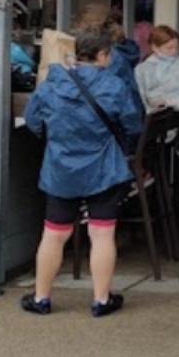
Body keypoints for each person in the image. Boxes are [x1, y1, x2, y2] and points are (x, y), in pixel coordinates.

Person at [21, 27, 143, 317]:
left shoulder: (51, 84)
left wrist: (57, 141)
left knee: (53, 234)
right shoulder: (114, 85)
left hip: (61, 168)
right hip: (104, 169)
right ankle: (101, 300)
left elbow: (33, 121)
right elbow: (133, 124)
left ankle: (41, 298)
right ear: (102, 55)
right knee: (101, 234)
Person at [134, 25, 179, 113]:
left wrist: (169, 102)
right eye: (169, 48)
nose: (174, 51)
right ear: (155, 48)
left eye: (177, 47)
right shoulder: (141, 69)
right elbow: (139, 99)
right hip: (153, 118)